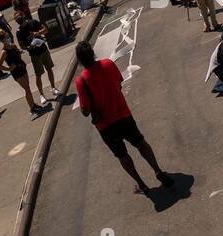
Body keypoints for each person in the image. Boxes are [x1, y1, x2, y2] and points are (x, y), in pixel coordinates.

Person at [73, 41, 172, 195]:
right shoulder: (108, 64)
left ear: (79, 60)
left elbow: (85, 112)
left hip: (105, 126)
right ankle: (158, 170)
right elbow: (119, 83)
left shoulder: (81, 81)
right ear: (93, 53)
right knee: (140, 142)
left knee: (122, 155)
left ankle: (141, 184)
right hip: (123, 115)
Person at [15, 9, 56, 104]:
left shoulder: (33, 22)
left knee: (49, 69)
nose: (19, 20)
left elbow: (45, 30)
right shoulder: (19, 32)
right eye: (17, 19)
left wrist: (37, 33)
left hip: (43, 49)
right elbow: (21, 46)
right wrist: (28, 47)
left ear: (23, 15)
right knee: (38, 75)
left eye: (19, 17)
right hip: (34, 54)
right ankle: (41, 94)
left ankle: (53, 88)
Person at [0, 30, 40, 116]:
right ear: (2, 41)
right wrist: (9, 68)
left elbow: (18, 55)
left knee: (28, 87)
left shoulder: (13, 46)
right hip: (16, 72)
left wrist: (19, 55)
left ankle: (33, 104)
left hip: (22, 67)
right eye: (6, 38)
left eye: (8, 37)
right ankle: (31, 109)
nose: (8, 39)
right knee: (27, 88)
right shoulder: (4, 52)